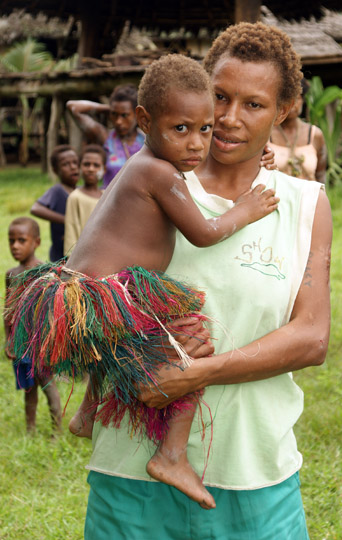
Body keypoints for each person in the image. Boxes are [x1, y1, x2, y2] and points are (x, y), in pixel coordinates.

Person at [81, 22, 332, 540]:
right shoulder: (151, 180)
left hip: (253, 472)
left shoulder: (304, 203)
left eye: (254, 104)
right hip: (131, 472)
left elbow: (312, 337)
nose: (228, 119)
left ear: (284, 111)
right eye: (219, 97)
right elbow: (87, 298)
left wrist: (198, 372)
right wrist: (142, 359)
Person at [6, 54, 278, 511]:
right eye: (181, 129)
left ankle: (90, 410)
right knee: (194, 340)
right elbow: (203, 232)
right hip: (98, 299)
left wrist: (259, 153)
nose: (196, 143)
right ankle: (172, 456)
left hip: (79, 294)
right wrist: (245, 208)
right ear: (144, 120)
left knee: (124, 338)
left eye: (205, 130)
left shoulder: (145, 160)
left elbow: (189, 147)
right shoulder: (158, 171)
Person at [4, 217, 62, 434]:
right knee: (28, 389)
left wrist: (50, 341)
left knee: (48, 386)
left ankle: (57, 433)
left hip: (40, 341)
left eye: (21, 240)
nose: (15, 246)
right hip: (20, 342)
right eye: (11, 241)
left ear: (36, 242)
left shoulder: (44, 272)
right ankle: (30, 430)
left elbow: (52, 309)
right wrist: (8, 338)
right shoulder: (11, 275)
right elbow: (8, 309)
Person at [67, 84, 145, 187]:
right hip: (110, 201)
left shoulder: (146, 140)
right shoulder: (106, 138)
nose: (118, 121)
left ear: (136, 114)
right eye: (114, 114)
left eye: (124, 115)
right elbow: (72, 107)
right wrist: (107, 108)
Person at [269, 78, 327, 183]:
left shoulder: (315, 135)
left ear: (303, 100)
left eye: (298, 98)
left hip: (309, 197)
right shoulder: (266, 135)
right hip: (276, 197)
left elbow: (321, 176)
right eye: (287, 99)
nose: (292, 104)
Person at [31, 145, 80, 261]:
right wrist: (66, 220)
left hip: (78, 251)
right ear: (55, 170)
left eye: (75, 162)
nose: (72, 167)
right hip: (60, 255)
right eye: (65, 164)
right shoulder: (57, 191)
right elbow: (36, 208)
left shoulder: (81, 191)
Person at [64, 144, 106, 254]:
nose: (91, 169)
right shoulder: (75, 197)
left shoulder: (107, 196)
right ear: (79, 167)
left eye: (96, 165)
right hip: (82, 257)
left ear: (104, 169)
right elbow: (71, 230)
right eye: (87, 164)